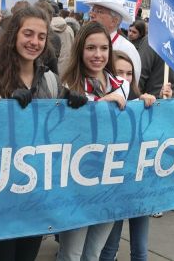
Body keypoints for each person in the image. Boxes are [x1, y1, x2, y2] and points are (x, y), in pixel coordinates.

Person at [0, 4, 85, 261]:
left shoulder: (51, 81)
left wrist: (73, 103)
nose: (34, 42)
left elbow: (59, 132)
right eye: (28, 34)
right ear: (14, 36)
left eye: (41, 37)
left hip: (36, 198)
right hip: (1, 201)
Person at [56, 21, 130, 261]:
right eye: (90, 48)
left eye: (103, 48)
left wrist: (151, 101)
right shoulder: (68, 86)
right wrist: (106, 101)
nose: (98, 55)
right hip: (77, 185)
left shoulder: (124, 86)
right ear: (80, 50)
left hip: (111, 183)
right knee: (71, 254)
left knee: (93, 254)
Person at [99, 50, 169, 261]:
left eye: (129, 73)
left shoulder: (141, 100)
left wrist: (162, 104)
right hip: (113, 187)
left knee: (140, 249)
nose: (125, 78)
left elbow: (160, 131)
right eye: (119, 72)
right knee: (109, 247)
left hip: (139, 185)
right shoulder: (104, 102)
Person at [86, 0, 141, 84]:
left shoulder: (127, 49)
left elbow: (132, 86)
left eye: (99, 11)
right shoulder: (84, 42)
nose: (91, 14)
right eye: (93, 10)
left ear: (114, 21)